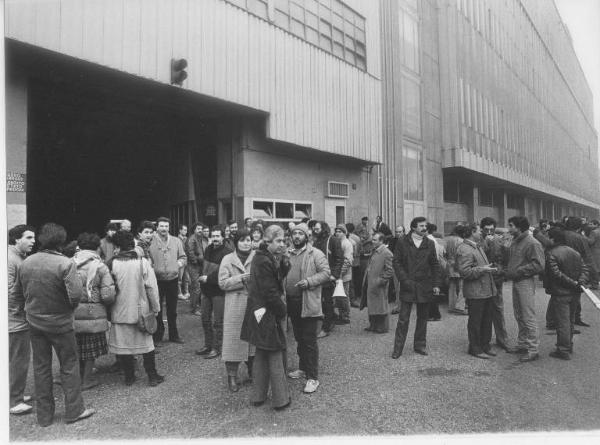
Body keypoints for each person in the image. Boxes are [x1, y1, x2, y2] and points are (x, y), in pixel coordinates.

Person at [16, 223, 95, 426]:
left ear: (41, 240)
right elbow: (75, 295)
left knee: (41, 368)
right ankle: (74, 411)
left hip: (35, 322)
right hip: (61, 324)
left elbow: (17, 293)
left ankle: (44, 417)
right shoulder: (65, 263)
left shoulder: (26, 262)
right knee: (69, 365)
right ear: (61, 242)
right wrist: (67, 309)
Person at [241, 225, 291, 410]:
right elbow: (271, 292)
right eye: (278, 241)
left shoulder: (264, 257)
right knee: (276, 353)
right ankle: (281, 400)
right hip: (267, 312)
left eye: (284, 241)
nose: (282, 244)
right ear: (268, 241)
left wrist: (284, 261)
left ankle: (258, 396)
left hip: (258, 312)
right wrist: (282, 311)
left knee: (262, 352)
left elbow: (276, 279)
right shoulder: (263, 260)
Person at [107, 231, 164, 386]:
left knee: (124, 346)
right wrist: (156, 307)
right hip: (141, 312)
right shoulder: (142, 262)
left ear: (117, 247)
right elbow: (152, 288)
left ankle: (129, 377)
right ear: (132, 244)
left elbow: (107, 290)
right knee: (147, 345)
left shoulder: (111, 263)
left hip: (119, 312)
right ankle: (152, 376)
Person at [283, 223, 330, 394]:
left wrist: (309, 282)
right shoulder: (286, 253)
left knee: (309, 340)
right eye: (294, 233)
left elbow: (326, 273)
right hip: (292, 303)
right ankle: (303, 368)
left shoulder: (315, 253)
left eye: (300, 234)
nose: (296, 236)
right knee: (299, 338)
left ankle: (312, 377)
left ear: (306, 237)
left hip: (308, 302)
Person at [391, 217, 442, 359]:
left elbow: (435, 265)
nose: (424, 228)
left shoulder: (430, 243)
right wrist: (404, 280)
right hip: (408, 285)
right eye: (421, 226)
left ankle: (420, 345)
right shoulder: (402, 242)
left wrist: (436, 284)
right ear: (413, 227)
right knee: (403, 319)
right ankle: (398, 349)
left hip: (424, 285)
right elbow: (396, 262)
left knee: (423, 318)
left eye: (425, 226)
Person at [72, 233, 116, 390]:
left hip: (72, 313)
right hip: (93, 313)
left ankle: (74, 379)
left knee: (75, 347)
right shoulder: (100, 266)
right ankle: (86, 380)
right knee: (90, 349)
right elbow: (108, 295)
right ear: (98, 247)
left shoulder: (69, 263)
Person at [218, 229, 256, 392]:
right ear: (236, 242)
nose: (246, 243)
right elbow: (222, 283)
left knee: (253, 341)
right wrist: (241, 278)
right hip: (235, 305)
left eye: (249, 240)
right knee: (233, 342)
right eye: (242, 240)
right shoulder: (228, 259)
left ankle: (253, 373)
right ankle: (232, 377)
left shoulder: (257, 256)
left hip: (254, 303)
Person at [544, 227, 589, 360]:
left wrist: (572, 283)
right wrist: (580, 282)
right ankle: (568, 346)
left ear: (553, 238)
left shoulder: (551, 253)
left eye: (548, 237)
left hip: (561, 293)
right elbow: (585, 268)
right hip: (575, 293)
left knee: (562, 322)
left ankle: (563, 349)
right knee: (569, 320)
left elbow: (556, 274)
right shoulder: (575, 252)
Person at [504, 216, 545, 362]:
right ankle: (522, 344)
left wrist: (519, 271)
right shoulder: (516, 240)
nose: (509, 229)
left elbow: (539, 265)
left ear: (519, 227)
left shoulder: (533, 243)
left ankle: (533, 349)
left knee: (528, 316)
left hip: (525, 282)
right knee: (519, 314)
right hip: (517, 281)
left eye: (511, 226)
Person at [456, 224, 497, 359]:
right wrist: (483, 269)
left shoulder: (476, 246)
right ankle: (475, 348)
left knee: (486, 320)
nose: (483, 233)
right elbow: (465, 272)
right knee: (476, 321)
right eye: (480, 231)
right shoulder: (465, 249)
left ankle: (485, 345)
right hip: (476, 292)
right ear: (472, 232)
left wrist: (486, 268)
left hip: (485, 290)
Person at [8, 224, 36, 415]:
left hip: (15, 318)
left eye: (33, 238)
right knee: (18, 360)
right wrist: (21, 310)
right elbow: (9, 292)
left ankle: (14, 394)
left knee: (15, 359)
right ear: (17, 239)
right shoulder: (11, 259)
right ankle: (14, 400)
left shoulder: (17, 257)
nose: (33, 241)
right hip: (15, 320)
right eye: (28, 238)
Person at [148, 217, 187, 344]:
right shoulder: (150, 241)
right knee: (157, 309)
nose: (164, 228)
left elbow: (183, 257)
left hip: (172, 280)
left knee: (172, 310)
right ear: (157, 227)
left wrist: (178, 265)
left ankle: (174, 335)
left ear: (169, 228)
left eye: (166, 226)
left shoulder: (176, 241)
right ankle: (158, 335)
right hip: (156, 281)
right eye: (162, 226)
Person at [196, 225, 233, 359]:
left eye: (218, 236)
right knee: (205, 319)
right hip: (206, 290)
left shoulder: (228, 252)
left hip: (219, 291)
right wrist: (202, 278)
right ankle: (208, 345)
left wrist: (209, 278)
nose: (215, 238)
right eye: (213, 236)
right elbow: (204, 267)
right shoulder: (208, 249)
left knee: (218, 322)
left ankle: (217, 348)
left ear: (223, 237)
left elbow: (225, 272)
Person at [480, 217, 511, 351]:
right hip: (480, 279)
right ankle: (482, 340)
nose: (489, 232)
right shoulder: (477, 240)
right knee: (481, 311)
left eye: (491, 229)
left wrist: (502, 273)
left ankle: (502, 339)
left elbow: (504, 259)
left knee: (498, 309)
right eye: (486, 229)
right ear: (482, 229)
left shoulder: (499, 240)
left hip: (495, 278)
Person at [312, 221, 344, 337]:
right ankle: (330, 320)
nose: (315, 231)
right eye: (314, 229)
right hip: (318, 277)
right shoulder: (316, 241)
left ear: (324, 229)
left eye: (317, 229)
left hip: (329, 278)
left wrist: (334, 275)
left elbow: (340, 259)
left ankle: (325, 329)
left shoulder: (333, 240)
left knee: (327, 303)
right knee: (320, 302)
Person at [563, 217, 595, 327]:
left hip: (561, 268)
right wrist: (590, 274)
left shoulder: (562, 234)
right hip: (576, 269)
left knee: (559, 296)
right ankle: (574, 321)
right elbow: (587, 256)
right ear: (578, 227)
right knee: (575, 296)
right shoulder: (580, 238)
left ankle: (558, 321)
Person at [360, 232, 394, 333]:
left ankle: (382, 327)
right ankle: (373, 325)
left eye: (375, 240)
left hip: (378, 284)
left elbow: (390, 270)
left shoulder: (387, 253)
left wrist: (381, 280)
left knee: (380, 306)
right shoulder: (375, 250)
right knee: (372, 305)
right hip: (371, 283)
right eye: (372, 239)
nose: (372, 242)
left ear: (381, 241)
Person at [445, 225, 467, 315]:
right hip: (458, 265)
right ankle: (460, 307)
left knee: (452, 287)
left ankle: (451, 306)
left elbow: (444, 252)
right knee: (462, 287)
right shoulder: (461, 241)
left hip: (449, 264)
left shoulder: (447, 239)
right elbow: (461, 254)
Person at [333, 224, 353, 324]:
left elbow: (347, 261)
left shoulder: (347, 244)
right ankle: (341, 314)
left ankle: (345, 316)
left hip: (343, 275)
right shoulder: (338, 242)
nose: (337, 233)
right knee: (339, 296)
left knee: (344, 295)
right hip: (338, 275)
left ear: (345, 233)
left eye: (340, 231)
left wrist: (339, 274)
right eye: (336, 231)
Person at [426, 223, 445, 322]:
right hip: (434, 267)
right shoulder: (432, 240)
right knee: (432, 292)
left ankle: (434, 314)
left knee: (431, 292)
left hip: (431, 268)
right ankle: (434, 314)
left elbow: (434, 258)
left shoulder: (430, 241)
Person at [186, 223, 206, 316]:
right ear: (194, 229)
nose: (200, 230)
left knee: (199, 287)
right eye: (198, 229)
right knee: (196, 287)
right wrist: (197, 261)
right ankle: (194, 309)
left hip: (199, 265)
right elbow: (190, 253)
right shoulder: (192, 239)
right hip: (194, 266)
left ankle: (197, 306)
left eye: (201, 229)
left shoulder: (199, 238)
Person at [346, 223, 362, 308]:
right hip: (356, 261)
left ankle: (351, 298)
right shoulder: (357, 238)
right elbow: (359, 250)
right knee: (355, 280)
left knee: (350, 281)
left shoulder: (346, 239)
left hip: (349, 262)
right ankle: (355, 297)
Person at [177, 224, 190, 301]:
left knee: (186, 278)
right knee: (179, 278)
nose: (186, 231)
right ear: (180, 230)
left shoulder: (187, 239)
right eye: (184, 230)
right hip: (180, 260)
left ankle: (186, 292)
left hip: (187, 260)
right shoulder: (176, 239)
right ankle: (179, 293)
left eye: (186, 230)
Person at [587, 219, 600, 290]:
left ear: (596, 225)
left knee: (594, 268)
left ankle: (594, 284)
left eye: (591, 224)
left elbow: (590, 242)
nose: (590, 225)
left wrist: (584, 237)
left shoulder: (593, 232)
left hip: (595, 252)